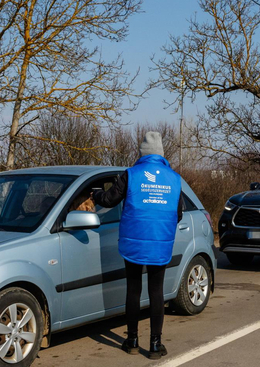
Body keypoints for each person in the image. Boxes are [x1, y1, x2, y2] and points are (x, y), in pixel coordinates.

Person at [91, 132, 183, 360]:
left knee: (133, 290)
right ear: (161, 154)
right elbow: (178, 213)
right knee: (156, 292)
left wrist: (95, 194)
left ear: (141, 153)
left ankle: (131, 341)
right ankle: (155, 345)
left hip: (133, 242)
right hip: (160, 242)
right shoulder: (174, 179)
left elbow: (109, 200)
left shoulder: (130, 175)